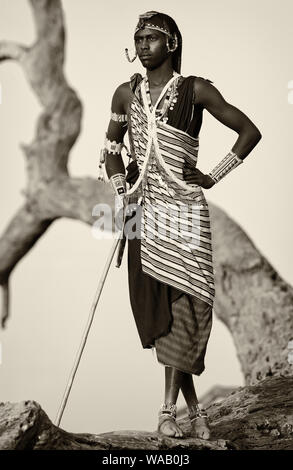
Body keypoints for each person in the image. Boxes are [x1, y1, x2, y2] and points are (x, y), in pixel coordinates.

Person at [100, 11, 262, 439]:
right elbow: (111, 148)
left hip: (186, 212)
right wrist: (122, 185)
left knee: (191, 308)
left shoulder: (197, 90)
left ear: (171, 44)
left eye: (151, 39)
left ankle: (167, 411)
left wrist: (212, 175)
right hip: (144, 212)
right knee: (163, 314)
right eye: (137, 39)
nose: (142, 46)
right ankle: (191, 412)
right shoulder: (124, 93)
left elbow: (249, 131)